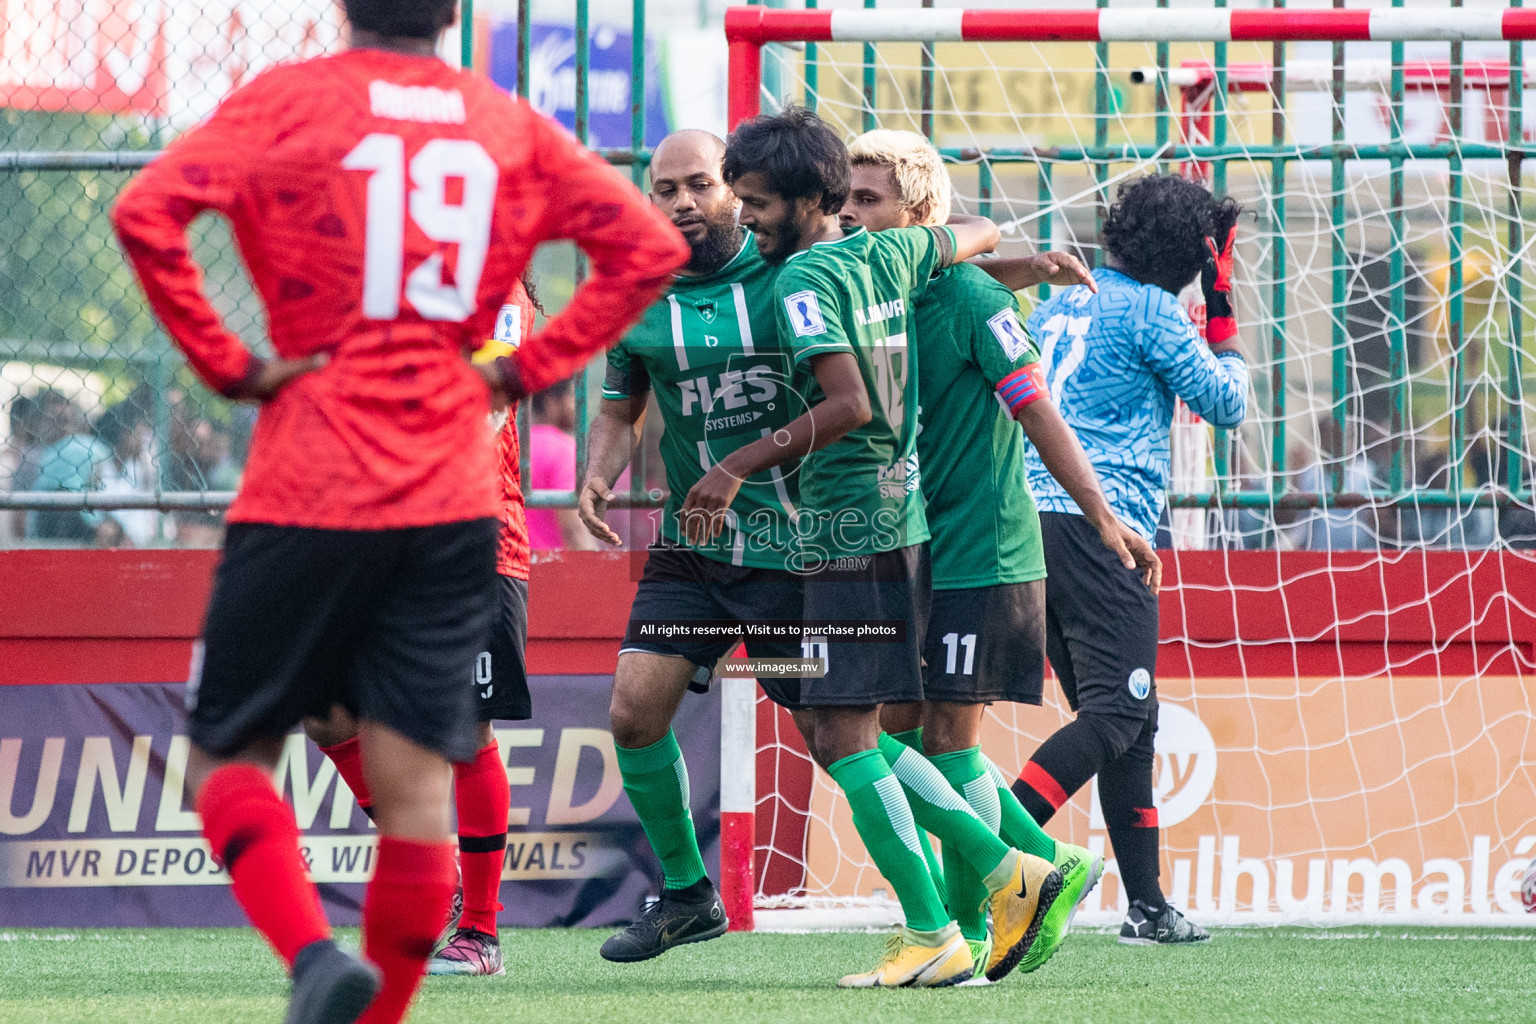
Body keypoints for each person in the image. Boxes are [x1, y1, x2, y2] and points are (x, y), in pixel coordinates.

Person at [111, 1, 688, 1022]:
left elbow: (144, 213)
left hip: (308, 480)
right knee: (420, 783)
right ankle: (385, 1007)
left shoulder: (288, 100)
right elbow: (644, 248)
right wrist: (524, 371)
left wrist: (231, 365)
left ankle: (311, 956)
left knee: (223, 757)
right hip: (453, 505)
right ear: (453, 12)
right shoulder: (501, 122)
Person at [708, 107, 1061, 988]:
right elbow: (969, 230)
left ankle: (962, 906)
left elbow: (849, 407)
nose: (742, 217)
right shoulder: (889, 254)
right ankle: (1002, 875)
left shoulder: (809, 280)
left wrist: (736, 467)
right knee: (848, 728)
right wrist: (1018, 257)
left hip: (849, 528)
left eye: (752, 202)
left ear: (803, 199)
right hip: (895, 530)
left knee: (845, 731)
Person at [840, 128, 1162, 974]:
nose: (848, 214)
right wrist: (1034, 262)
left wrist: (1101, 517)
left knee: (932, 739)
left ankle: (973, 930)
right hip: (910, 550)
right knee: (903, 735)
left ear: (918, 213)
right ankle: (1036, 871)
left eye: (867, 199)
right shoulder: (872, 296)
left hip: (984, 551)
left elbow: (1037, 412)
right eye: (844, 197)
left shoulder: (976, 303)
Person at [578, 128, 808, 964]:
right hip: (693, 543)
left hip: (800, 545)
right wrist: (596, 477)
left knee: (843, 735)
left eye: (698, 184)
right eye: (665, 188)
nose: (681, 202)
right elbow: (619, 408)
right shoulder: (630, 293)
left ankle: (987, 873)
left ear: (732, 191)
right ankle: (687, 895)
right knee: (634, 713)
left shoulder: (796, 269)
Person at [1009, 173, 1247, 947]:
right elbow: (1228, 404)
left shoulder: (1062, 300)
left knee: (1128, 722)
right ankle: (989, 862)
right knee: (1116, 714)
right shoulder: (1152, 311)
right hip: (1103, 529)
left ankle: (1146, 905)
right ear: (1198, 252)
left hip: (1025, 524)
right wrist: (1223, 304)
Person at [306, 277, 543, 979]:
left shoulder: (499, 291)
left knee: (466, 732)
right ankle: (441, 882)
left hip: (468, 544)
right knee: (326, 709)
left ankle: (480, 934)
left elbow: (485, 411)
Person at [527, 377, 599, 551]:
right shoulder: (563, 449)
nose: (576, 404)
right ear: (550, 401)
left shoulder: (514, 445)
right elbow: (573, 529)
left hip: (515, 569)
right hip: (554, 569)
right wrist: (599, 572)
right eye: (572, 395)